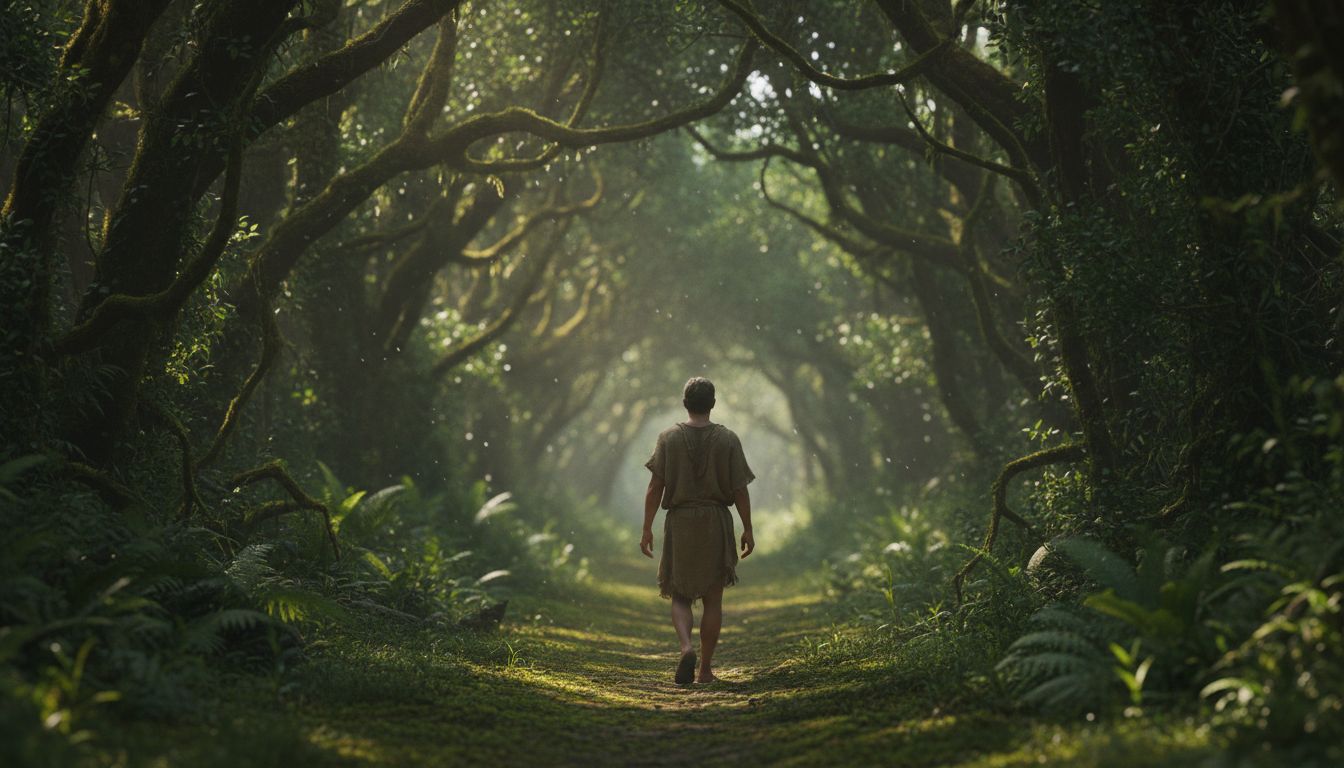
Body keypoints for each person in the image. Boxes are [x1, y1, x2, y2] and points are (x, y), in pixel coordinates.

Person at [640, 376, 755, 685]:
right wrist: (748, 529)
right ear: (713, 404)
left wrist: (647, 528)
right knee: (712, 601)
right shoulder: (728, 439)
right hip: (716, 522)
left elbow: (655, 487)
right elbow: (740, 489)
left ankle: (686, 647)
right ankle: (704, 670)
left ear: (685, 403)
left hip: (680, 522)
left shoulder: (668, 438)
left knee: (679, 595)